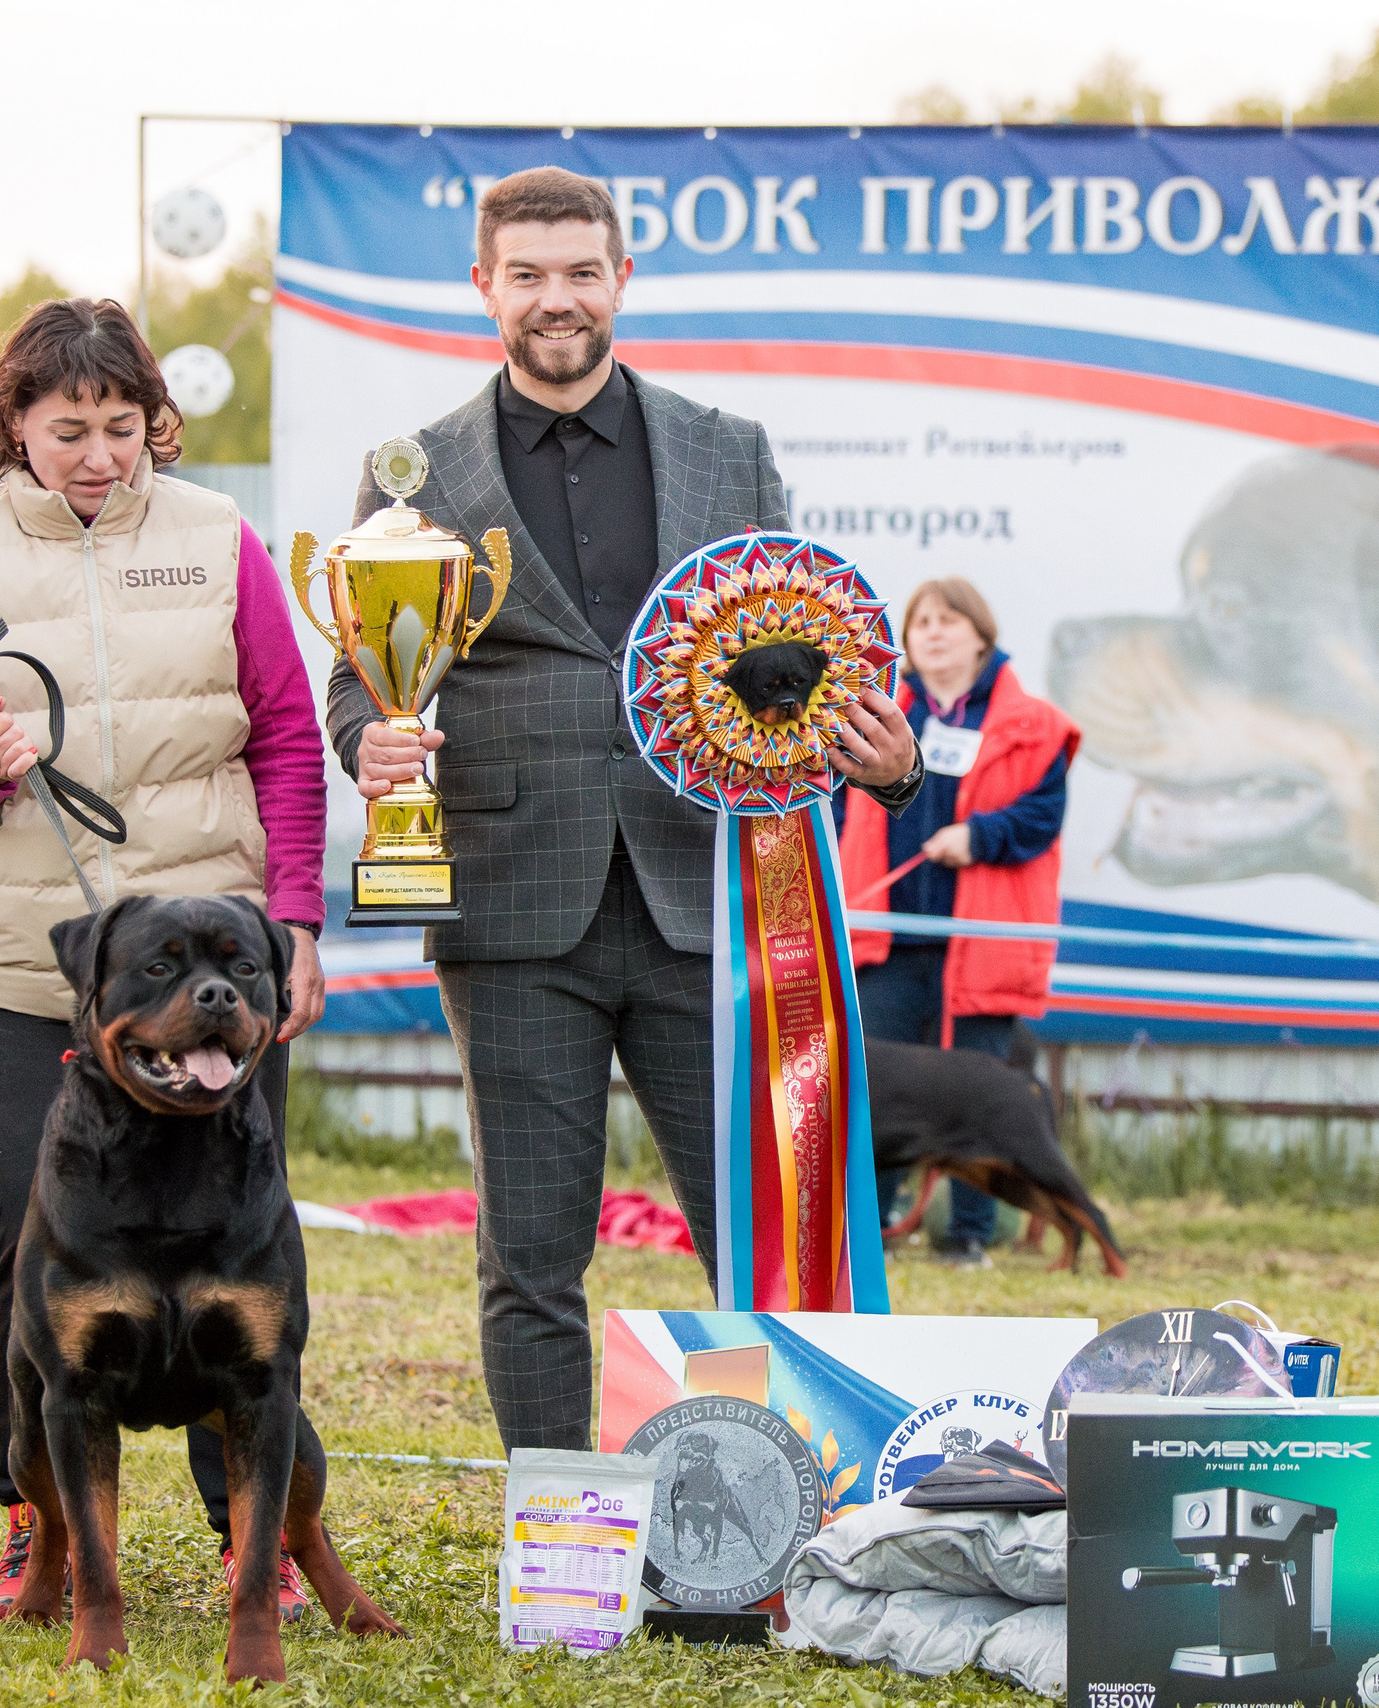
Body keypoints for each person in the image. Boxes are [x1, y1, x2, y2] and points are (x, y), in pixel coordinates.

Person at [331, 168, 923, 1453]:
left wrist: (884, 762)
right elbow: (355, 673)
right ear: (482, 286)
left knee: (763, 1242)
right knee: (530, 1258)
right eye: (528, 275)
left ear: (621, 282)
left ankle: (790, 1518)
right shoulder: (411, 471)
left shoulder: (730, 450)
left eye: (580, 272)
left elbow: (803, 653)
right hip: (510, 909)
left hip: (709, 907)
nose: (557, 299)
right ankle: (557, 1518)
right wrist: (365, 741)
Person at [0, 298, 331, 1619]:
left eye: (121, 428)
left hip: (219, 975)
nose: (97, 456)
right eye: (66, 428)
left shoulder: (219, 536)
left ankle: (245, 1528)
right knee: (26, 1238)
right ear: (13, 426)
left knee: (238, 1238)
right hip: (27, 967)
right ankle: (39, 1523)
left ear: (155, 426)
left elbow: (289, 739)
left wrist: (292, 924)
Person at [840, 579, 1078, 1266]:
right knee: (876, 1092)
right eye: (921, 622)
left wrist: (978, 837)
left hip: (981, 938)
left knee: (984, 1094)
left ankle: (971, 1234)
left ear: (981, 633)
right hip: (889, 935)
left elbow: (1041, 817)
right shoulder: (865, 714)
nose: (933, 632)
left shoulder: (1034, 723)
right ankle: (871, 1227)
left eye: (948, 620)